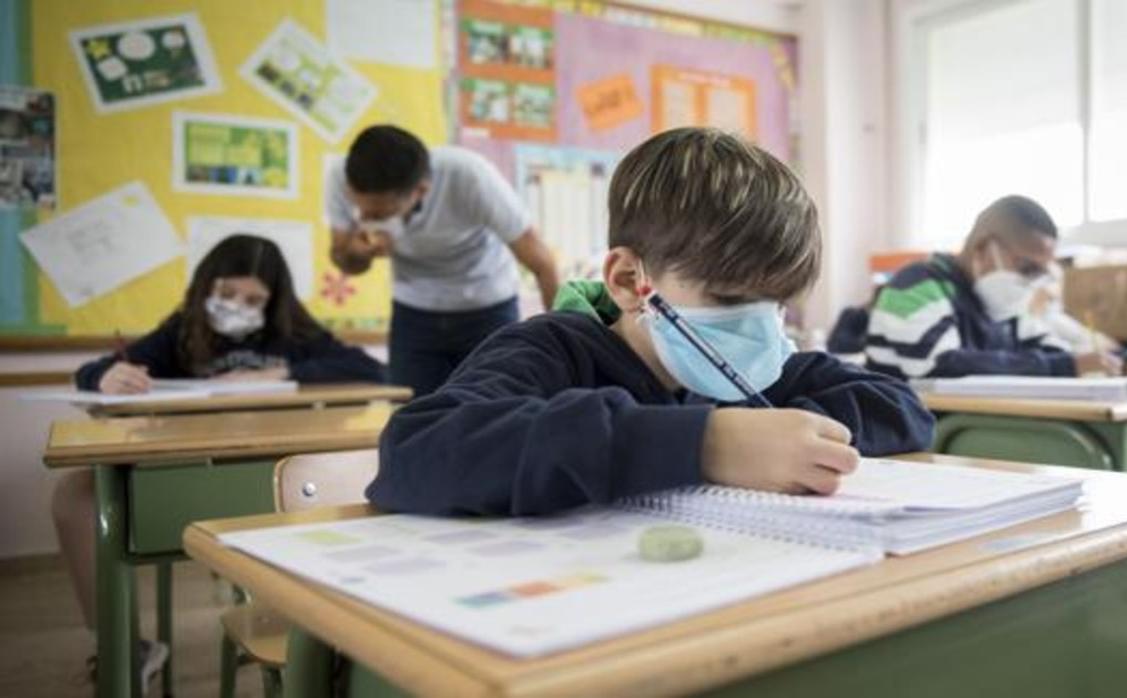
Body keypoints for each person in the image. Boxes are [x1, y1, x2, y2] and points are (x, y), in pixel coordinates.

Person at [367, 127, 934, 517]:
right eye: (730, 297)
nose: (758, 326)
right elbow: (415, 451)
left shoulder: (759, 371)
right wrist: (706, 445)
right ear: (629, 280)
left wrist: (789, 438)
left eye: (777, 302)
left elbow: (904, 409)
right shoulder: (553, 351)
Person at [53, 234, 384, 689]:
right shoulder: (182, 332)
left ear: (273, 302)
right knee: (76, 495)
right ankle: (126, 645)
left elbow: (371, 370)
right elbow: (92, 373)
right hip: (193, 469)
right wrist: (106, 375)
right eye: (227, 294)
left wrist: (283, 372)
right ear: (207, 287)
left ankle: (345, 635)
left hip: (279, 472)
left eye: (253, 299)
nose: (236, 306)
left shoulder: (291, 334)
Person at [326, 125, 560, 395]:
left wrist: (561, 344)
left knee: (494, 411)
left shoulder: (469, 176)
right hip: (413, 313)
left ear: (421, 191)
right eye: (361, 210)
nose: (366, 219)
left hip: (487, 307)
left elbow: (542, 263)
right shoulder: (340, 178)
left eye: (379, 214)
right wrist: (359, 253)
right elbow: (346, 261)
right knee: (411, 417)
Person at [864, 195, 1122, 379]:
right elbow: (942, 363)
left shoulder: (999, 303)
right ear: (983, 248)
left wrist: (1120, 362)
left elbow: (1053, 350)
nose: (1032, 283)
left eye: (1041, 272)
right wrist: (1065, 365)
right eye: (1027, 268)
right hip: (910, 440)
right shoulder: (917, 284)